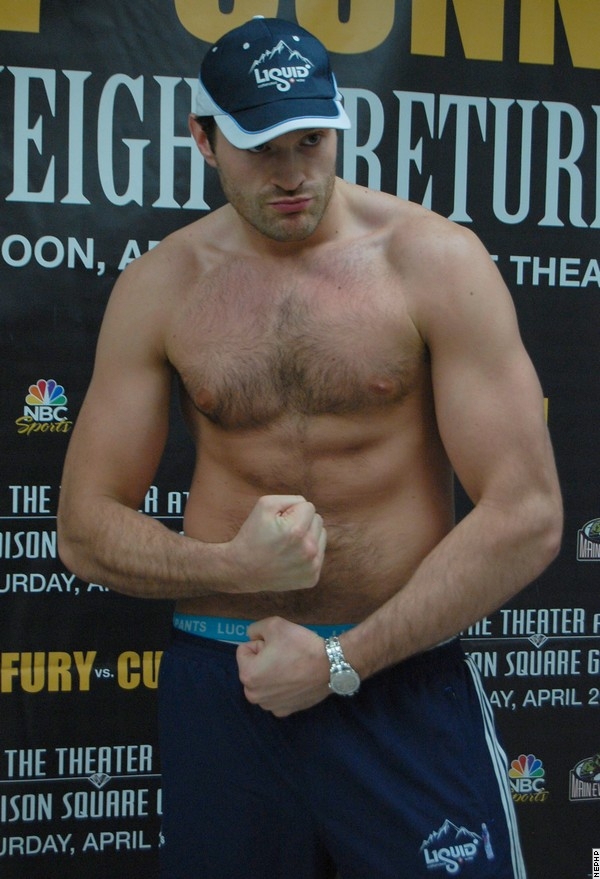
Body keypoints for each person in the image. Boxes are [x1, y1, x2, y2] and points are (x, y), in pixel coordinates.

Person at [57, 16, 562, 879]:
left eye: (311, 141)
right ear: (205, 139)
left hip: (399, 680)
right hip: (230, 685)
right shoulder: (160, 288)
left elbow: (529, 513)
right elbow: (83, 527)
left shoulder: (436, 262)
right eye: (262, 149)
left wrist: (337, 663)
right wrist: (228, 565)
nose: (293, 174)